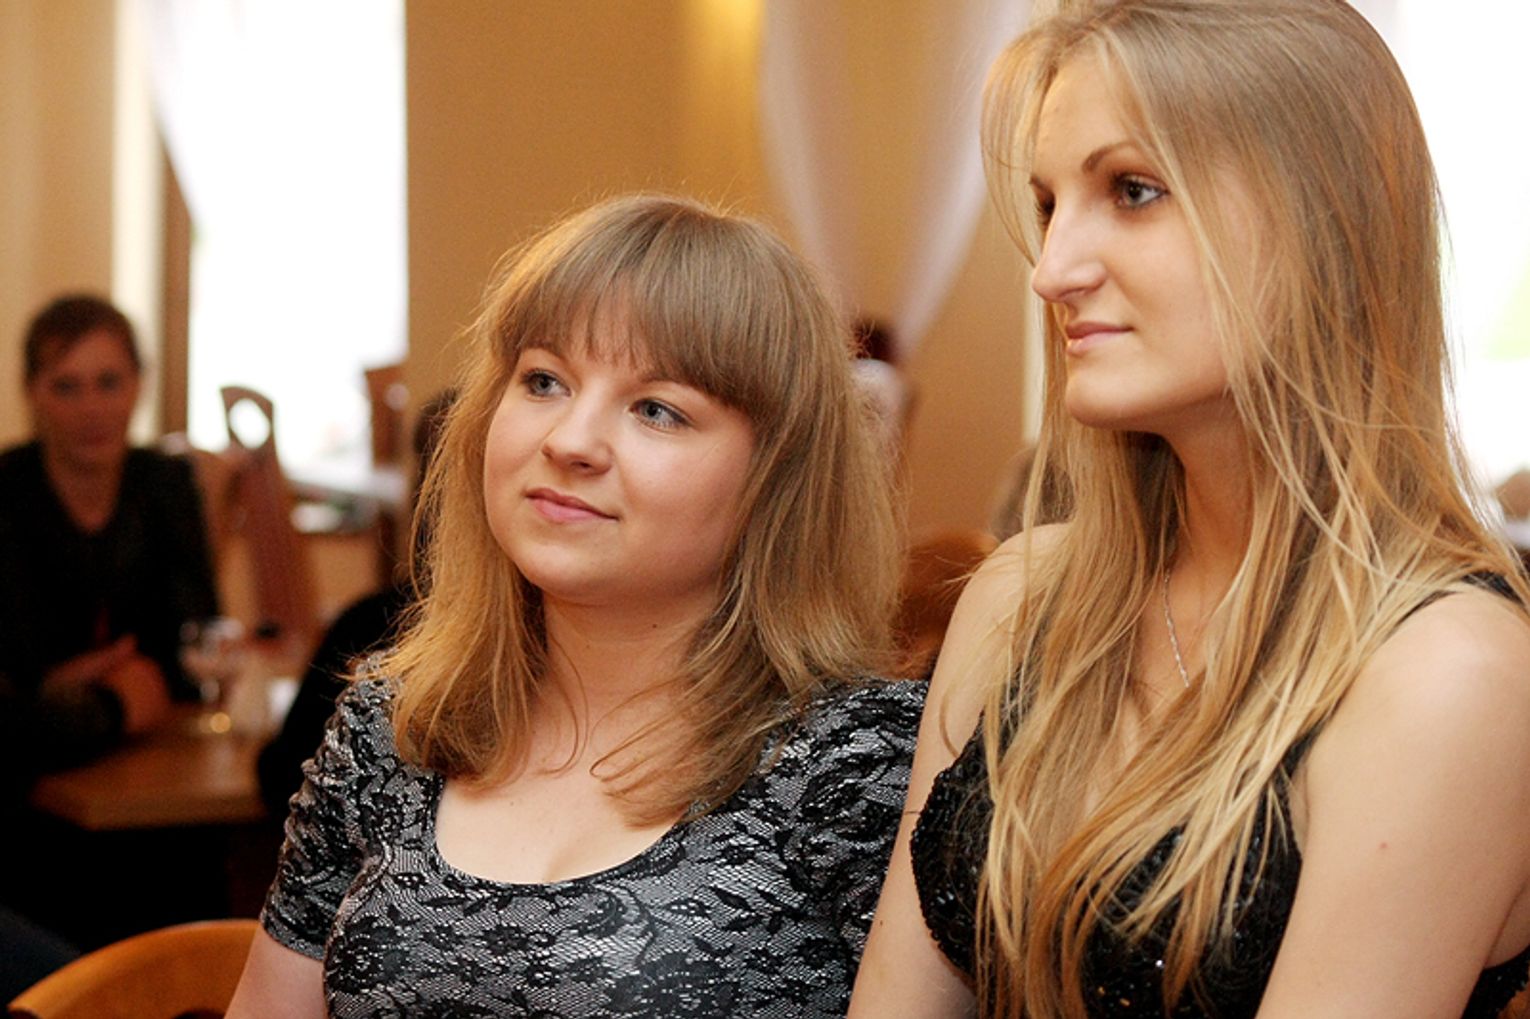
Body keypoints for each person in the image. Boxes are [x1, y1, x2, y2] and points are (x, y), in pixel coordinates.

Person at [849, 2, 1530, 1017]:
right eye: (1048, 203)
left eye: (1132, 191)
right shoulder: (1019, 597)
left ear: (1323, 219)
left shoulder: (1447, 669)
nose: (1051, 270)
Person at [226, 194, 924, 1018]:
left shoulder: (859, 761)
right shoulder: (393, 723)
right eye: (544, 381)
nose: (569, 441)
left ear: (777, 479)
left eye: (657, 409)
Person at [0, 294, 219, 771]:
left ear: (139, 384)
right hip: (37, 763)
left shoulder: (167, 484)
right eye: (66, 387)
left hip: (156, 748)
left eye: (109, 382)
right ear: (31, 392)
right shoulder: (8, 492)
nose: (91, 408)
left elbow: (195, 633)